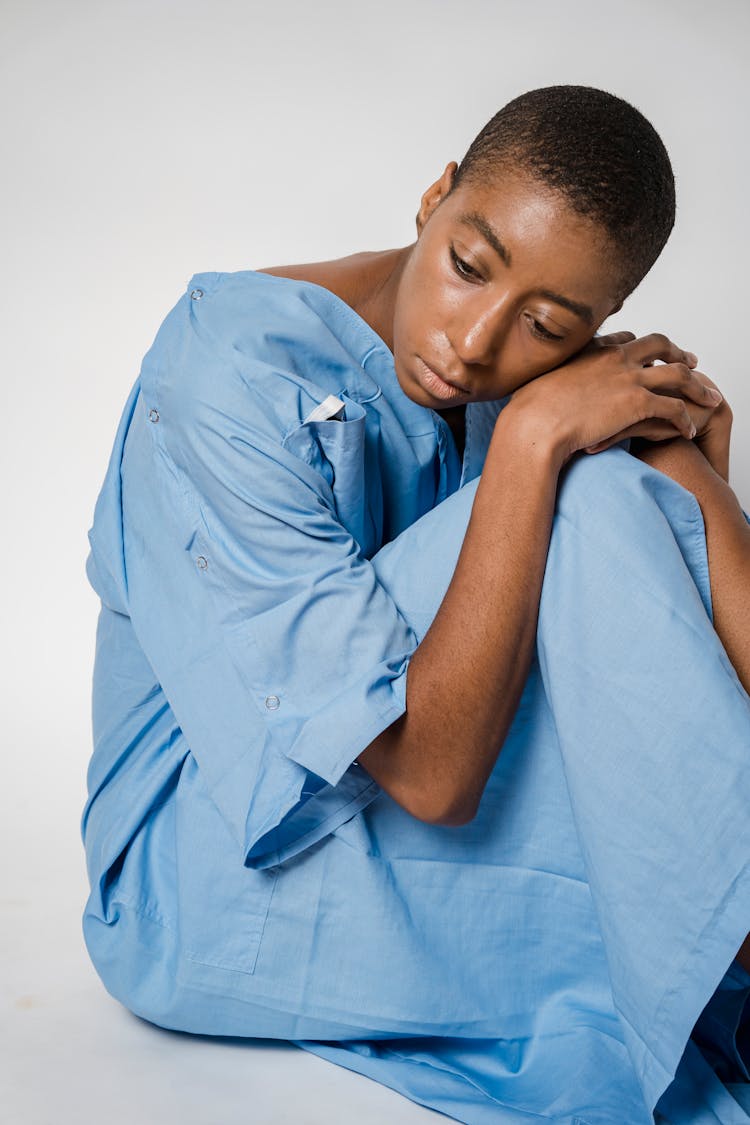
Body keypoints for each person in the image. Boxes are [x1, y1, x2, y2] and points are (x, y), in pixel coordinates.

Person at [82, 86, 750, 1123]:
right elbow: (432, 779)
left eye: (546, 323)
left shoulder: (547, 371)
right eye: (468, 265)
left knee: (635, 477)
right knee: (597, 487)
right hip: (206, 879)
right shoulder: (225, 368)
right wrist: (533, 443)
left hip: (393, 831)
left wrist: (701, 486)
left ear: (596, 323)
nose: (477, 342)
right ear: (435, 197)